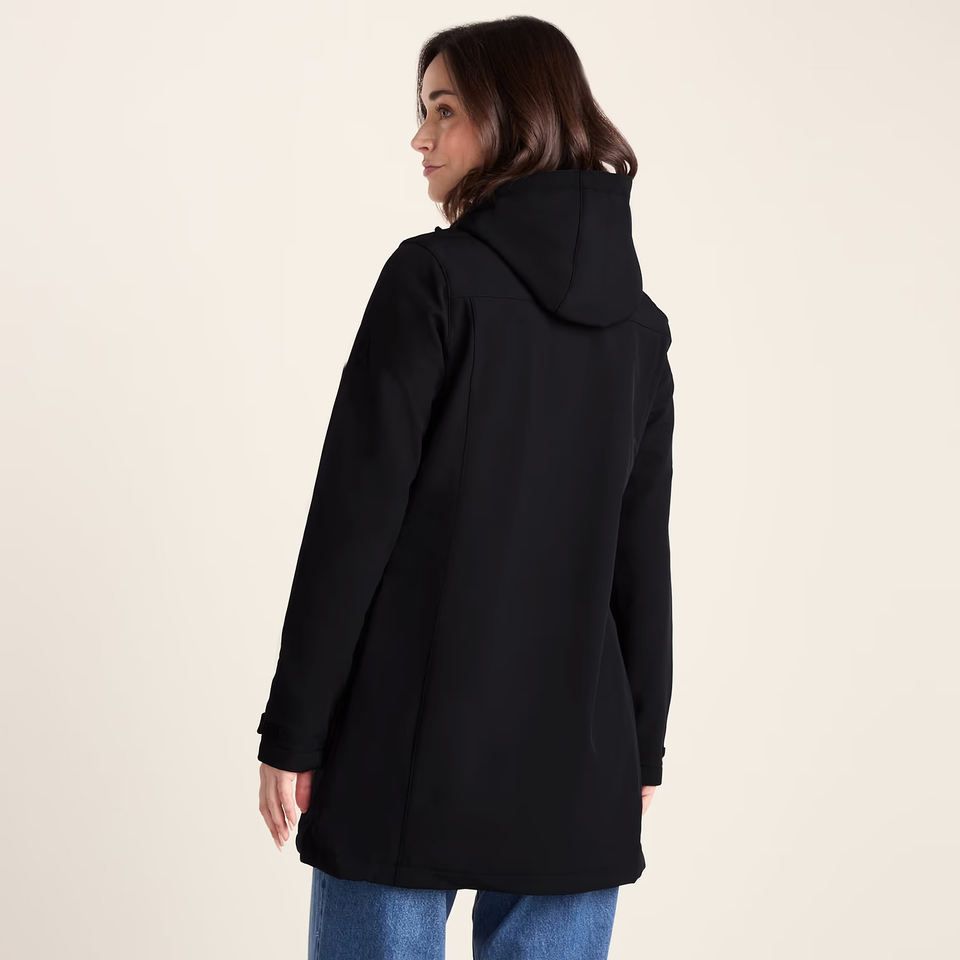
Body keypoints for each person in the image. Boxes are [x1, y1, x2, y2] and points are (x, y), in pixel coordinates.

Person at [256, 15, 675, 960]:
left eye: (443, 110)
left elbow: (354, 522)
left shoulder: (431, 281)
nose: (420, 138)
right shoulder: (641, 328)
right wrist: (643, 747)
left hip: (404, 744)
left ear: (513, 115)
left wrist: (294, 730)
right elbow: (639, 559)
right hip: (581, 757)